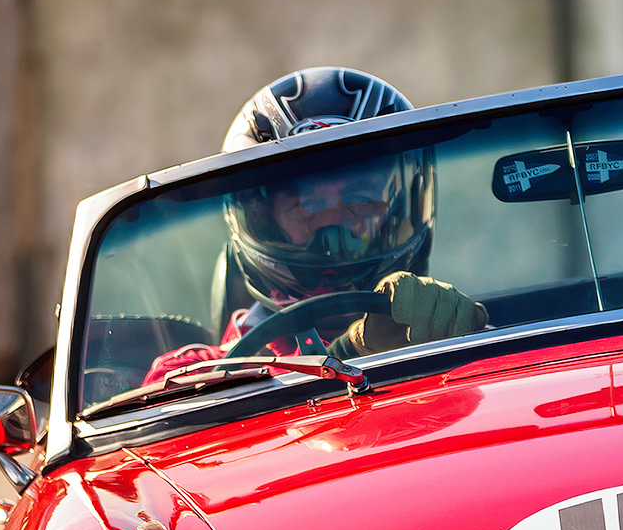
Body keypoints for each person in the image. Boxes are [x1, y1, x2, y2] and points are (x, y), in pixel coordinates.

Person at [142, 66, 485, 388]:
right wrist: (348, 354)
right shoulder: (195, 371)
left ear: (402, 204)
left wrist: (457, 341)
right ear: (261, 220)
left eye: (359, 198)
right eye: (306, 206)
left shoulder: (450, 333)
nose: (333, 223)